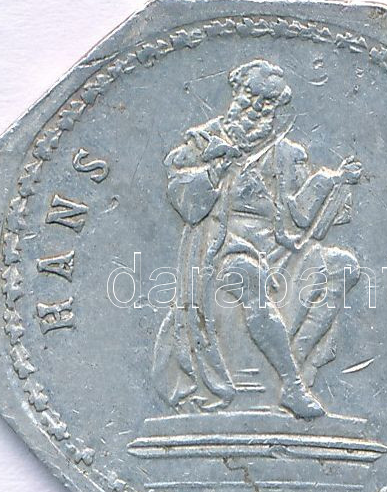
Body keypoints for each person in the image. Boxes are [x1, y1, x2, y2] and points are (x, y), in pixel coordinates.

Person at [154, 59, 361, 419]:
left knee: (344, 266)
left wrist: (331, 179)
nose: (258, 108)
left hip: (279, 248)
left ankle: (295, 368)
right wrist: (214, 170)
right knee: (249, 275)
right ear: (237, 93)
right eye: (252, 97)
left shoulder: (286, 152)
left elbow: (299, 215)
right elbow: (185, 202)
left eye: (268, 102)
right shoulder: (202, 142)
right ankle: (293, 387)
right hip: (222, 248)